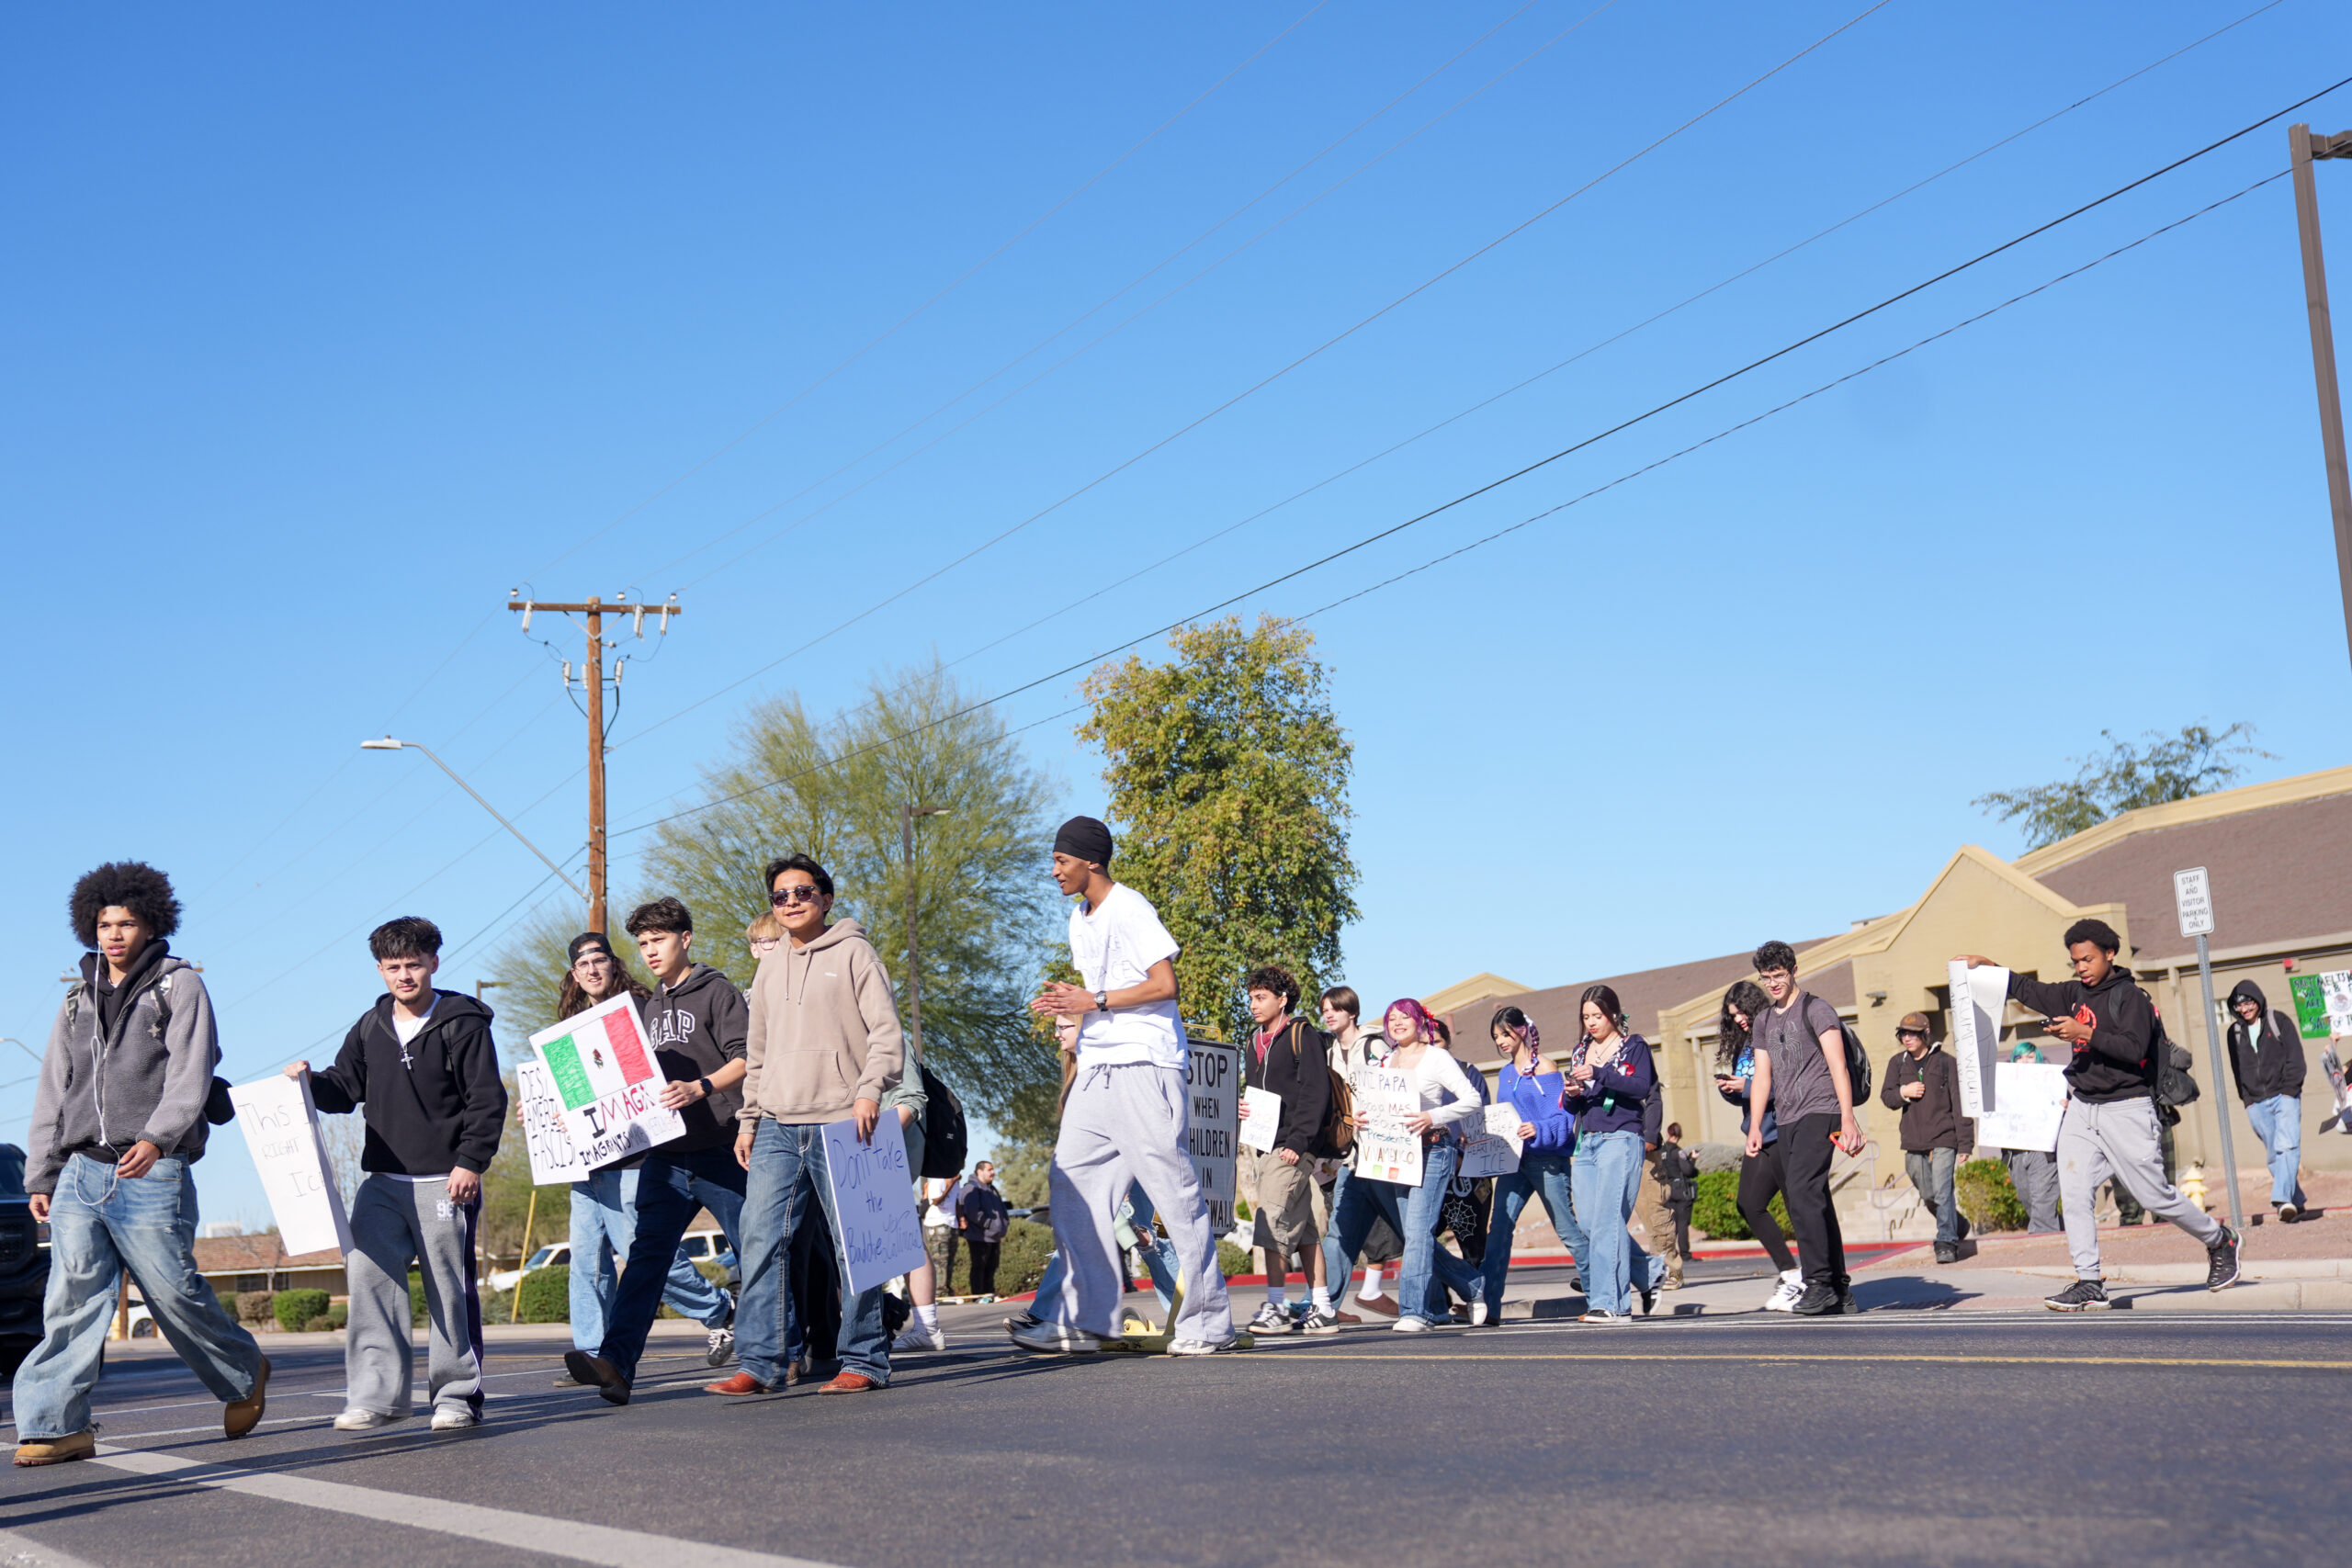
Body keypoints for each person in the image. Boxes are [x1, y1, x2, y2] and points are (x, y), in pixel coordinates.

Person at [14, 863, 270, 1468]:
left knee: (171, 1291)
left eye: (125, 922)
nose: (114, 933)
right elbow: (55, 1088)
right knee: (70, 1299)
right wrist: (41, 1173)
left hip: (151, 1167)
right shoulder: (76, 999)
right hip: (81, 1170)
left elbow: (191, 1071)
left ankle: (243, 1371)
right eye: (105, 922)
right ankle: (56, 1424)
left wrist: (158, 1138)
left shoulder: (178, 986)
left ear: (150, 922)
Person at [1015, 816, 1235, 1356]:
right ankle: (1091, 1319)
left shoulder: (1131, 908)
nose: (1054, 870)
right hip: (1096, 1068)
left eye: (1062, 860)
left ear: (1091, 860)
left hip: (1145, 1064)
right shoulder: (1078, 919)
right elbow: (1096, 993)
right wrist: (1073, 1001)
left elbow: (1165, 985)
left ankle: (1210, 1323)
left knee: (1173, 1194)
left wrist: (1095, 1000)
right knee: (1071, 1188)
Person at [1958, 920, 2239, 1310]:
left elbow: (2133, 1047)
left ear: (2110, 953)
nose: (2081, 967)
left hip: (2127, 1108)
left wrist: (2082, 1033)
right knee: (2073, 1193)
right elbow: (2030, 991)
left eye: (2088, 959)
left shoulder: (2131, 998)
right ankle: (2089, 1280)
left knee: (2152, 1195)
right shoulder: (2074, 993)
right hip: (2083, 1108)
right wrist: (1991, 968)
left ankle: (2219, 1239)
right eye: (2075, 961)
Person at [294, 916, 504, 1431]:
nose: (404, 975)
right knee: (367, 1279)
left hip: (445, 1180)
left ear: (434, 962)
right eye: (393, 967)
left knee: (448, 1292)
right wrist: (306, 1082)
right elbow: (344, 1089)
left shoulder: (462, 1023)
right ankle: (375, 1398)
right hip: (383, 1183)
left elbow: (486, 1099)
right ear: (380, 970)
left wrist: (470, 1162)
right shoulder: (370, 1026)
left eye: (414, 965)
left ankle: (455, 1397)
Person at [705, 853, 905, 1396]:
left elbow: (888, 1036)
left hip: (845, 1119)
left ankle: (862, 1361)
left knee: (858, 1245)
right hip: (776, 1124)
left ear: (826, 898)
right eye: (781, 896)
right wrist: (748, 1120)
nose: (791, 902)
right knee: (761, 1239)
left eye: (803, 892)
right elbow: (760, 1053)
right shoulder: (769, 967)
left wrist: (868, 1092)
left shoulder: (856, 953)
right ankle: (762, 1361)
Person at [563, 898, 752, 1405]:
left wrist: (702, 1087)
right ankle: (616, 1364)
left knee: (754, 1251)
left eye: (659, 940)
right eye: (643, 943)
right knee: (645, 1259)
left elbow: (748, 1058)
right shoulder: (646, 1009)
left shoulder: (717, 991)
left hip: (721, 1145)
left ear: (685, 939)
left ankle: (778, 1352)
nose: (650, 951)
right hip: (666, 1156)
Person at [1324, 999, 1484, 1332]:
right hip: (1395, 1155)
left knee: (1419, 1233)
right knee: (1413, 1235)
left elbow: (1472, 1100)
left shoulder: (1437, 1057)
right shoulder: (1385, 1060)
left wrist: (1432, 1116)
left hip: (1433, 1152)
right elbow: (1372, 1102)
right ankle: (1472, 1285)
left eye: (1404, 1017)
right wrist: (1363, 1117)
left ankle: (1414, 1311)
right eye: (1391, 1018)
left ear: (1419, 1022)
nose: (1397, 1023)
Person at [1746, 941, 1861, 1317]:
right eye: (1767, 978)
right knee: (1815, 1198)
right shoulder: (1763, 1020)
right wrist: (1756, 1126)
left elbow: (1838, 1065)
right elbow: (1763, 1077)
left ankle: (1819, 1283)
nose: (1773, 983)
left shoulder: (1817, 1009)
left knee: (1800, 1192)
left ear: (1794, 970)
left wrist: (1848, 1117)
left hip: (1822, 1110)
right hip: (1787, 1117)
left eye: (1779, 975)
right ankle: (1839, 1289)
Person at [1236, 965, 1337, 1336]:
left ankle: (1276, 1306)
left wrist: (1298, 1142)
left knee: (1270, 1220)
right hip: (1265, 1145)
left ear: (1282, 999)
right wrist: (1244, 1108)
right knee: (1305, 1231)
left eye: (1261, 997)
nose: (1253, 1005)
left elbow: (1315, 1092)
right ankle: (1323, 1309)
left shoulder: (1302, 1035)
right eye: (1251, 998)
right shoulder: (1253, 1040)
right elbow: (1262, 1093)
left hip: (1292, 1146)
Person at [1478, 1007, 1588, 1323]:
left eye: (1505, 1034)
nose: (1500, 1041)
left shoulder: (1545, 1068)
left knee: (1566, 1228)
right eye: (1496, 1036)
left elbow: (1561, 1117)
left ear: (1522, 1030)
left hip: (1546, 1160)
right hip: (1515, 1161)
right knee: (1499, 1230)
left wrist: (1538, 1128)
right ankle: (1489, 1308)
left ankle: (1600, 1297)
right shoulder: (1505, 1073)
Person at [1566, 986, 1666, 1325]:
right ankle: (1649, 1271)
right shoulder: (1580, 1051)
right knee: (1590, 1223)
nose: (1591, 1023)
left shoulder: (1632, 1046)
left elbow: (1640, 1087)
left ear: (1613, 1013)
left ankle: (1611, 1304)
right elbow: (1573, 1105)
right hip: (1588, 1143)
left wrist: (1599, 1073)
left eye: (1597, 1015)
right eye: (1586, 1017)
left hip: (1621, 1138)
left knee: (1609, 1220)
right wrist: (1571, 1093)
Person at [1317, 986, 1406, 1319]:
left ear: (1351, 1012)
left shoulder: (1373, 1045)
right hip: (1351, 1161)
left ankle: (1469, 1285)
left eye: (1335, 1009)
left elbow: (1396, 1089)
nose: (1329, 1015)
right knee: (1338, 1233)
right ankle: (1322, 1304)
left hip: (1381, 1157)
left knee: (1409, 1232)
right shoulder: (1327, 1055)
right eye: (1325, 1009)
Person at [1713, 981, 1801, 1312]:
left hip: (1783, 1131)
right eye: (1732, 1016)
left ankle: (1815, 1277)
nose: (1737, 1020)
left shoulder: (1775, 1034)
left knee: (1798, 1207)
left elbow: (1789, 1086)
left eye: (1741, 1013)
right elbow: (1751, 1093)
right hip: (1757, 1132)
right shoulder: (1743, 1046)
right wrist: (1732, 1089)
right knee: (1748, 1204)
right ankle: (1791, 1273)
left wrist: (1748, 1087)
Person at [1881, 1011, 1973, 1264]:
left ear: (1925, 1034)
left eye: (1912, 1033)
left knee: (1943, 1190)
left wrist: (1965, 1143)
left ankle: (1946, 1242)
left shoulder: (1946, 1063)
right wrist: (1903, 1091)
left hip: (1944, 1136)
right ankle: (1958, 1223)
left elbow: (1959, 1104)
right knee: (1928, 1194)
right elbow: (1887, 1097)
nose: (1907, 1038)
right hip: (1913, 1139)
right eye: (1903, 1034)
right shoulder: (1897, 1063)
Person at [2224, 980, 2308, 1223]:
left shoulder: (2277, 1020)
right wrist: (2247, 1100)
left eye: (2249, 1002)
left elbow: (2296, 1057)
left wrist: (2290, 1090)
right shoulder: (2235, 1032)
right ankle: (2297, 1201)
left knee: (2288, 1146)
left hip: (2284, 1095)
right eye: (2239, 1005)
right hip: (2257, 1103)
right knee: (2274, 1154)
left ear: (2258, 1000)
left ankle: (2282, 1200)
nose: (2245, 1008)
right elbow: (2236, 1069)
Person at [1996, 1038, 2064, 1234]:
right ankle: (2066, 1231)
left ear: (2038, 1059)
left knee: (2043, 1203)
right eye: (2019, 1057)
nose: (2024, 1061)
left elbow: (2070, 1112)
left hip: (2043, 1153)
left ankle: (2045, 1249)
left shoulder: (2054, 1082)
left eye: (2030, 1057)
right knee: (2031, 1205)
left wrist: (2065, 1107)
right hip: (2016, 1154)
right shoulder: (2003, 1085)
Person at [1634, 1088, 1684, 1290]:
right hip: (1602, 1140)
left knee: (1653, 1210)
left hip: (1640, 1142)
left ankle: (1668, 1269)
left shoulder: (1634, 1055)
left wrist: (1651, 1134)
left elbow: (1652, 1091)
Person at [960, 1161, 1012, 1298]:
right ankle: (979, 1298)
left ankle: (989, 1296)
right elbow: (972, 1213)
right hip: (979, 1237)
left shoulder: (992, 1189)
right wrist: (991, 1224)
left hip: (994, 1236)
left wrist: (1004, 1224)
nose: (993, 1172)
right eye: (989, 1169)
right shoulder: (972, 1188)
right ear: (979, 1171)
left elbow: (1002, 1210)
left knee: (991, 1267)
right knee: (979, 1268)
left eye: (993, 1169)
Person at [1657, 1123, 1698, 1269]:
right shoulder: (1678, 1152)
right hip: (1680, 1190)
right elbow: (1687, 1170)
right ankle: (1685, 1254)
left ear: (1668, 1133)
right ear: (1679, 1134)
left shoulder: (1662, 1152)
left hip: (1667, 1189)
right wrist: (1693, 1159)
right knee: (1682, 1223)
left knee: (1671, 1223)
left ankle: (1669, 1252)